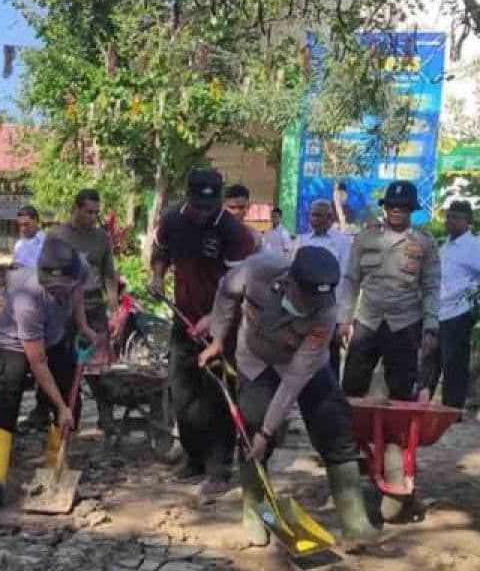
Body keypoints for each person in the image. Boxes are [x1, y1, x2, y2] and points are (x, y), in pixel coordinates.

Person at [199, 247, 381, 545]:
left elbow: (295, 378)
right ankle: (255, 512)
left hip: (303, 366)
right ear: (291, 282)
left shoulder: (326, 313)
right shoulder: (258, 271)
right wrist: (218, 338)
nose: (311, 307)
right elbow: (226, 290)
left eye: (317, 302)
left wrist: (268, 431)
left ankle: (355, 521)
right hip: (256, 360)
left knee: (334, 426)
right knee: (251, 431)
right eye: (306, 299)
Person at [150, 168, 257, 500]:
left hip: (223, 326)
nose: (202, 213)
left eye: (209, 207)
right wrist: (157, 277)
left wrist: (214, 319)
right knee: (183, 394)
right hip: (184, 321)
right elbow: (160, 253)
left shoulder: (234, 233)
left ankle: (218, 470)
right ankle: (194, 458)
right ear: (188, 197)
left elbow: (240, 287)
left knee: (218, 398)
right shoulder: (173, 220)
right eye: (197, 206)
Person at [0, 238, 98, 506]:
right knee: (6, 398)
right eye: (53, 288)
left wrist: (83, 326)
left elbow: (78, 294)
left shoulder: (79, 268)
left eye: (63, 287)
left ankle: (55, 465)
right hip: (11, 343)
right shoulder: (27, 296)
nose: (59, 293)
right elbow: (38, 361)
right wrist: (60, 406)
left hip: (53, 338)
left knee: (71, 399)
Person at [338, 180, 441, 402]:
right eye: (391, 206)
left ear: (411, 209)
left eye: (402, 207)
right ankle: (353, 426)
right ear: (385, 208)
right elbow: (351, 280)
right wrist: (344, 320)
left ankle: (397, 426)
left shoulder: (424, 242)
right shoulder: (366, 238)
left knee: (401, 391)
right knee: (352, 387)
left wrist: (431, 326)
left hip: (405, 323)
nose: (395, 211)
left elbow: (431, 286)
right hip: (368, 321)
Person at [425, 200, 480, 410]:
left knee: (454, 368)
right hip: (438, 313)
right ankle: (423, 411)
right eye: (449, 216)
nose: (451, 221)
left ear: (468, 221)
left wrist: (478, 296)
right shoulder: (446, 246)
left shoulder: (474, 247)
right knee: (430, 364)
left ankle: (452, 412)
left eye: (457, 217)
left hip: (459, 314)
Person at [46, 189, 118, 352]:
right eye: (88, 212)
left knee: (97, 358)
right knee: (64, 359)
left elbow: (109, 275)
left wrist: (114, 311)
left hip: (94, 306)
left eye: (96, 213)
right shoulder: (57, 236)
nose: (93, 217)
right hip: (65, 309)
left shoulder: (102, 238)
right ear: (76, 209)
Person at [297, 199, 353, 375]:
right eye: (312, 215)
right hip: (304, 313)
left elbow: (346, 280)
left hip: (330, 312)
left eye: (318, 215)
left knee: (329, 362)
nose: (313, 219)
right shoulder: (302, 241)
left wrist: (343, 319)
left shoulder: (342, 242)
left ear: (329, 217)